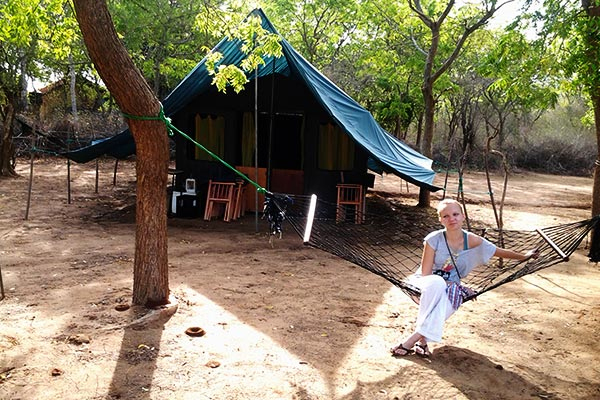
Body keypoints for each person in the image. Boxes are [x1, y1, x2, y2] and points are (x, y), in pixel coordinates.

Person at [390, 198, 539, 357]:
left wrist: (524, 256)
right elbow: (426, 274)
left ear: (463, 216)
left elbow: (497, 251)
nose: (451, 219)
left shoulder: (472, 240)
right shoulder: (433, 239)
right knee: (438, 283)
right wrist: (451, 284)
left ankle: (413, 341)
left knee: (446, 301)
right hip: (425, 284)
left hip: (450, 289)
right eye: (446, 216)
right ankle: (421, 342)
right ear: (440, 220)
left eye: (455, 214)